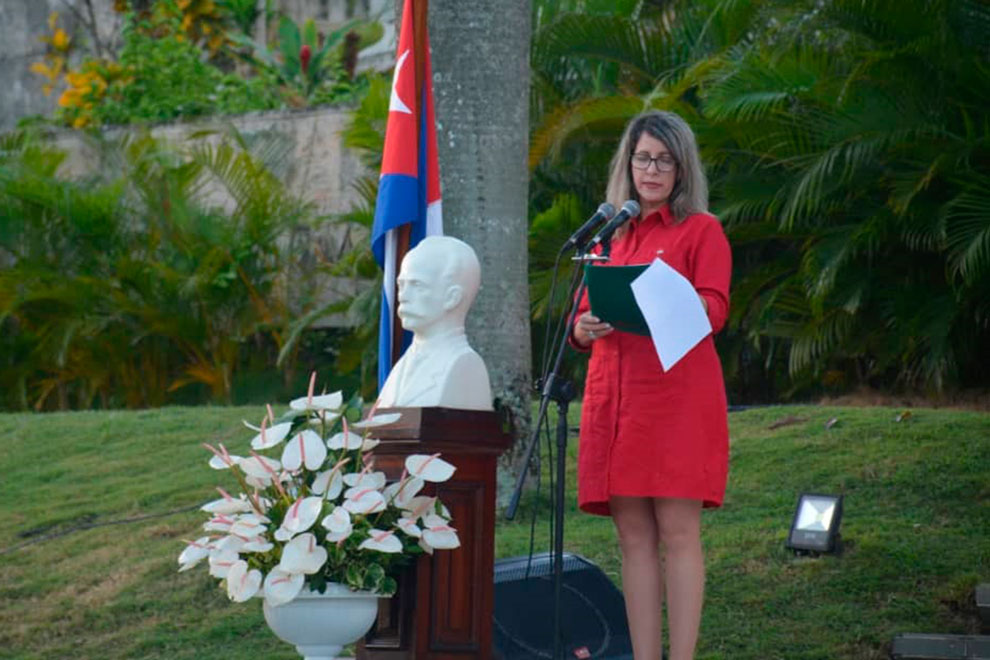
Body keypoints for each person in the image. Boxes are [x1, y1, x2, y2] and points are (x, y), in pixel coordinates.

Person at [570, 110, 731, 660]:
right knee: (633, 539)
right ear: (628, 164)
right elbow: (580, 317)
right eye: (643, 158)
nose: (652, 169)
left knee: (678, 533)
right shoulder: (610, 235)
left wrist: (664, 298)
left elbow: (714, 309)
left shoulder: (701, 230)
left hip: (675, 402)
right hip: (615, 402)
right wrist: (583, 327)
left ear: (682, 168)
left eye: (664, 160)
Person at [377, 235, 493, 410]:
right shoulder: (401, 367)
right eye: (401, 285)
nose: (403, 296)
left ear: (452, 297)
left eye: (417, 285)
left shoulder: (465, 365)